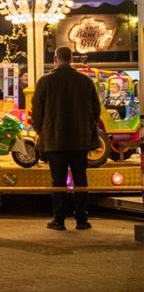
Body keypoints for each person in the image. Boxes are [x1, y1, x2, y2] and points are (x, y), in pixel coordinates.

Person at [32, 46, 101, 231]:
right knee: (81, 180)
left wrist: (41, 131)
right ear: (70, 59)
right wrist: (87, 127)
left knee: (58, 181)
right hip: (80, 140)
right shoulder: (85, 81)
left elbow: (37, 111)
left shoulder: (45, 81)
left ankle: (59, 219)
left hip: (55, 141)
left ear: (55, 58)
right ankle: (81, 220)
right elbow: (96, 109)